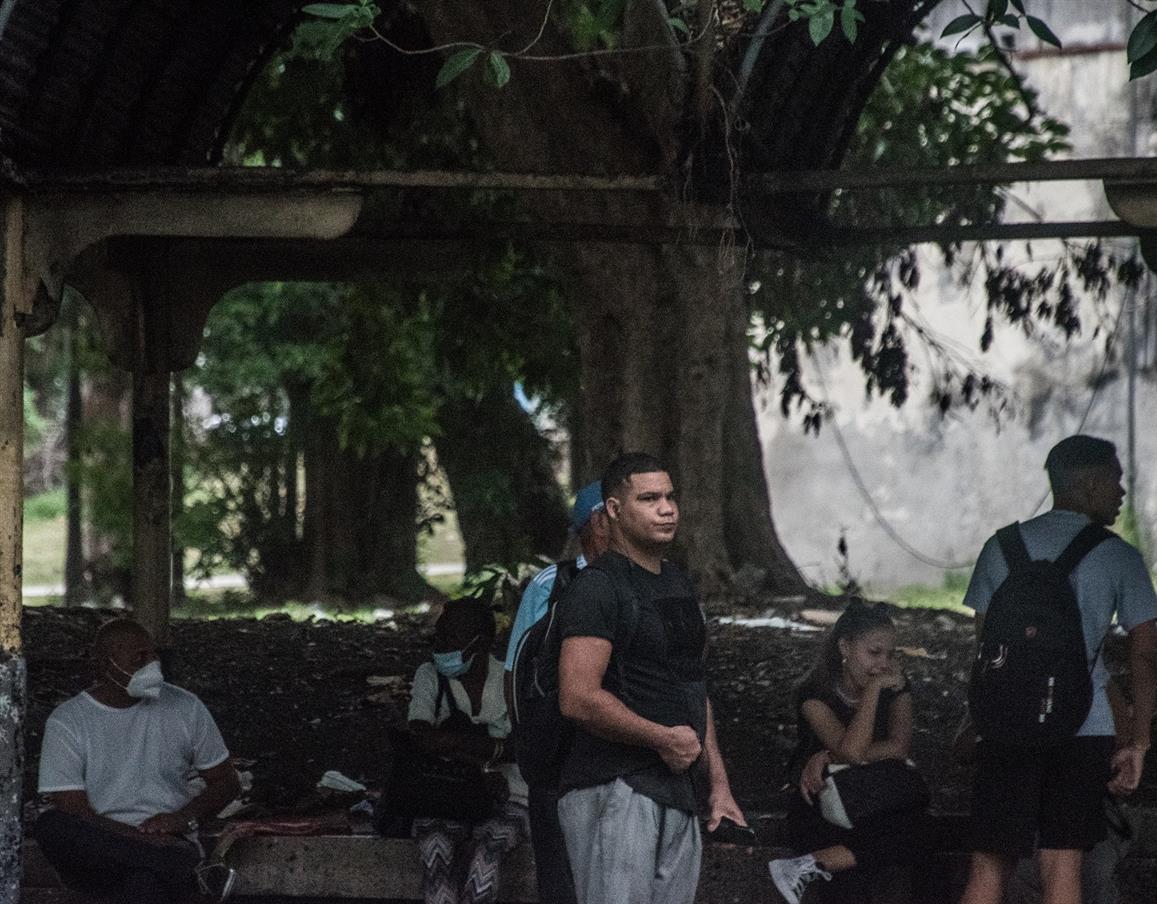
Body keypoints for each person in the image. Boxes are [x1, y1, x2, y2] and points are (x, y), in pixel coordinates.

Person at [959, 435, 1157, 904]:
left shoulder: (999, 548)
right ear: (1088, 483)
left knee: (988, 868)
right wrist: (1139, 739)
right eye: (1116, 479)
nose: (1122, 491)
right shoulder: (1118, 557)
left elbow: (986, 649)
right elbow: (1146, 653)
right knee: (1062, 863)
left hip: (1005, 725)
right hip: (1083, 726)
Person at [555, 451, 747, 904]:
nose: (667, 508)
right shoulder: (598, 587)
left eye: (669, 496)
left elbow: (691, 685)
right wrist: (659, 737)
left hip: (677, 791)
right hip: (613, 786)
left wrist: (718, 785)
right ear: (615, 511)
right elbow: (577, 697)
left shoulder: (676, 582)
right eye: (649, 498)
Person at [35, 618, 241, 903]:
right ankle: (181, 868)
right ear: (107, 666)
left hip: (169, 840)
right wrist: (143, 839)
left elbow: (226, 782)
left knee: (144, 882)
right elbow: (75, 810)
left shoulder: (185, 706)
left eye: (153, 655)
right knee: (53, 825)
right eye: (139, 659)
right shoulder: (69, 721)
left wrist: (183, 818)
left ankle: (168, 864)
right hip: (106, 847)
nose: (152, 665)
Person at [768, 600, 930, 904]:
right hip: (825, 803)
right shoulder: (814, 696)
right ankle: (812, 864)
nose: (883, 663)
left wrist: (829, 756)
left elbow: (899, 746)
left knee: (922, 834)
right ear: (845, 647)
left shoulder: (896, 688)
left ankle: (809, 866)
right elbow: (853, 752)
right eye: (874, 652)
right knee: (854, 867)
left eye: (890, 654)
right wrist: (872, 692)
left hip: (877, 797)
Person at [503, 480, 610, 904]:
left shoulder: (654, 582)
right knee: (562, 881)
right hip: (559, 757)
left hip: (627, 760)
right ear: (599, 521)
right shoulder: (552, 584)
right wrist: (531, 750)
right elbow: (515, 673)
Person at [408, 599, 529, 904]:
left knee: (489, 849)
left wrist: (451, 741)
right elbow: (420, 737)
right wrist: (492, 752)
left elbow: (524, 747)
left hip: (511, 798)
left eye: (451, 638)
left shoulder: (509, 680)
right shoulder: (429, 675)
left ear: (482, 642)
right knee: (434, 847)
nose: (441, 646)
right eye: (439, 637)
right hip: (445, 798)